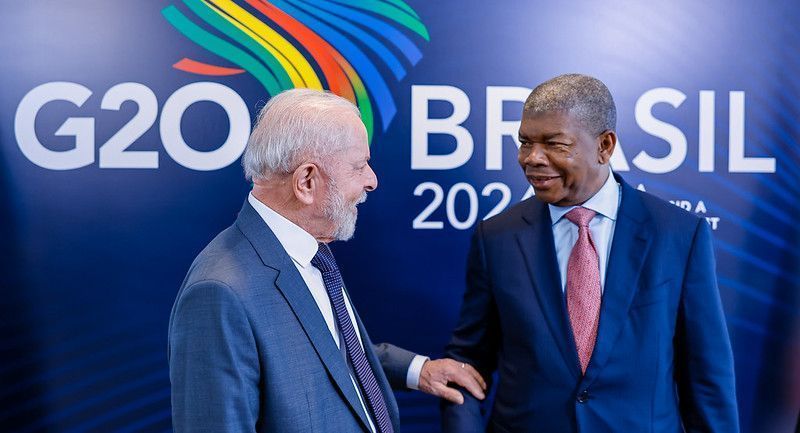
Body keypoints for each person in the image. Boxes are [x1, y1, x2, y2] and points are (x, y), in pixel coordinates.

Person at [169, 88, 486, 433]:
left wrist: (418, 370)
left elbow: (323, 353)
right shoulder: (219, 293)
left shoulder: (308, 249)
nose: (372, 180)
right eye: (359, 166)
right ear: (307, 181)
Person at [442, 74, 738, 432]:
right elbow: (467, 364)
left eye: (554, 144)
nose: (532, 158)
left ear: (605, 146)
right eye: (525, 142)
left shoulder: (678, 234)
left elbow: (707, 378)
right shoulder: (497, 237)